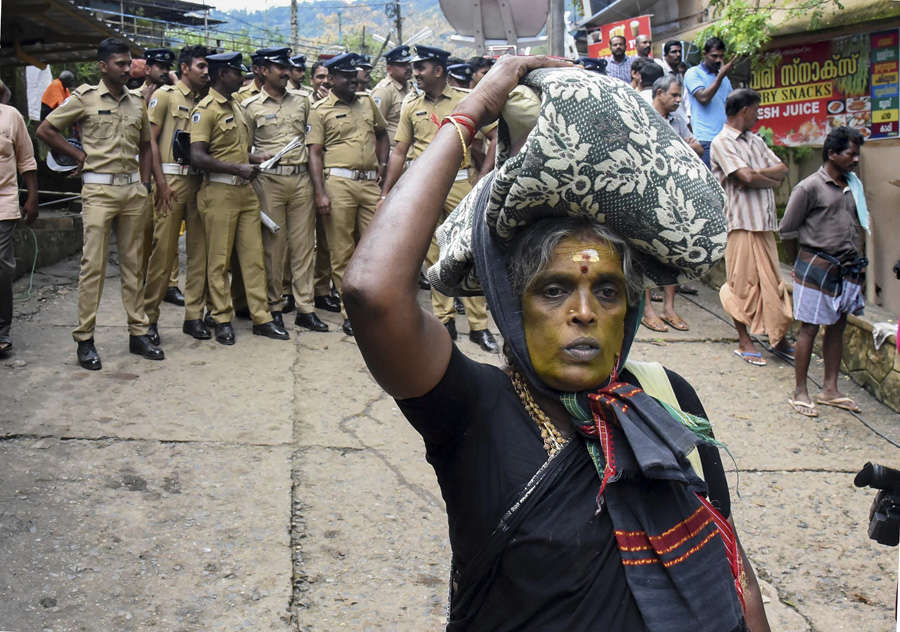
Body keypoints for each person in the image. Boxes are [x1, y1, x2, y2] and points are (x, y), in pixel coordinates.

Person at [343, 55, 769, 632]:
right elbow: (371, 293)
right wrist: (473, 111)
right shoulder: (473, 409)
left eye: (609, 292)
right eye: (554, 289)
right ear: (511, 303)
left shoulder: (665, 398)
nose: (584, 314)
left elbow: (731, 565)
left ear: (631, 311)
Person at [38, 37, 164, 370]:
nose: (127, 69)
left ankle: (138, 333)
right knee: (92, 267)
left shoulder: (137, 102)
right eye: (121, 64)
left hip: (132, 191)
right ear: (103, 66)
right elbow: (46, 129)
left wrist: (147, 183)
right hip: (98, 191)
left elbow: (146, 145)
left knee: (134, 265)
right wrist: (77, 154)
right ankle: (85, 339)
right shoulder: (85, 98)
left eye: (129, 63)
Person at [379, 44, 498, 352]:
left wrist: (484, 175)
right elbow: (399, 151)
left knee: (469, 251)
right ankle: (443, 322)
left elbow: (495, 135)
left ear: (439, 69)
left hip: (460, 184)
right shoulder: (410, 105)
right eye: (413, 68)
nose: (415, 73)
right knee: (433, 253)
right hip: (422, 187)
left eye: (421, 67)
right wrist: (386, 192)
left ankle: (478, 326)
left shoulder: (466, 100)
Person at [188, 51, 290, 345]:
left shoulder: (238, 107)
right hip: (219, 192)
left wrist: (255, 158)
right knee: (219, 260)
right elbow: (197, 156)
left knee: (253, 257)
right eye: (237, 72)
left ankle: (262, 318)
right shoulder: (205, 109)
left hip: (245, 192)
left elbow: (233, 149)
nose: (243, 77)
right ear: (222, 75)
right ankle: (221, 318)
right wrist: (238, 167)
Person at [781, 127, 867, 417]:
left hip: (846, 270)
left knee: (838, 326)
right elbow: (787, 230)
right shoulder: (809, 187)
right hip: (815, 267)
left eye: (857, 153)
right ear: (832, 153)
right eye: (850, 153)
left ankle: (830, 389)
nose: (855, 159)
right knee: (808, 328)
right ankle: (800, 391)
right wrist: (801, 264)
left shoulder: (853, 186)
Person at [242, 48, 328, 333]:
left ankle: (305, 308)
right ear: (264, 70)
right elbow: (242, 149)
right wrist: (256, 157)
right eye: (279, 67)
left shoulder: (303, 102)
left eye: (287, 67)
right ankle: (275, 306)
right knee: (273, 249)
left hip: (300, 179)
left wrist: (318, 189)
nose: (285, 71)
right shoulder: (250, 106)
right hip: (269, 182)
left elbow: (313, 142)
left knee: (304, 248)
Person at [307, 53, 389, 337]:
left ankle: (373, 307)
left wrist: (383, 164)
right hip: (338, 184)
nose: (353, 80)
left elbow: (383, 134)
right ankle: (350, 313)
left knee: (373, 250)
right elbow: (314, 153)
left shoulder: (367, 102)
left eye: (354, 76)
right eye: (346, 76)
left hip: (369, 184)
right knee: (342, 252)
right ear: (331, 79)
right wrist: (320, 193)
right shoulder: (319, 110)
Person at [711, 88, 793, 367]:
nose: (758, 116)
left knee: (773, 284)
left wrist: (760, 176)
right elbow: (744, 176)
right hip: (739, 224)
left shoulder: (755, 141)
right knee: (741, 286)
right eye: (756, 110)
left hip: (763, 224)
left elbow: (782, 169)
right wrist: (760, 177)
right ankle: (743, 340)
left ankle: (777, 338)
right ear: (745, 110)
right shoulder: (722, 142)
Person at [143, 44, 212, 343]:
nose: (207, 72)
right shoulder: (164, 97)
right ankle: (148, 319)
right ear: (184, 68)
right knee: (163, 253)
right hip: (171, 181)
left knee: (200, 255)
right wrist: (159, 183)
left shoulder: (209, 102)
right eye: (201, 66)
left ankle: (194, 317)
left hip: (201, 182)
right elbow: (151, 142)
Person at [639, 73, 704, 334]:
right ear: (659, 94)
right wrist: (680, 148)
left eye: (679, 96)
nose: (678, 100)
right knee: (645, 250)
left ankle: (669, 307)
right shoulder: (644, 115)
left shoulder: (677, 119)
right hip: (647, 193)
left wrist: (679, 148)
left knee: (672, 250)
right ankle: (647, 310)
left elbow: (698, 148)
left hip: (675, 194)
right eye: (674, 95)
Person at [0, 102, 38, 358]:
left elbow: (26, 158)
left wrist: (33, 197)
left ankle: (1, 331)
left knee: (1, 265)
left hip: (2, 202)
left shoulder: (11, 116)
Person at [684, 37, 738, 167]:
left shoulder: (724, 79)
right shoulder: (693, 73)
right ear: (704, 54)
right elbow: (703, 98)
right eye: (714, 56)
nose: (718, 60)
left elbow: (731, 106)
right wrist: (720, 76)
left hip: (725, 140)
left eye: (721, 56)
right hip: (706, 140)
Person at [371, 45, 413, 146]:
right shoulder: (384, 90)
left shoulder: (410, 87)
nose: (408, 67)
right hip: (392, 151)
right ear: (389, 69)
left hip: (409, 151)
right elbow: (375, 128)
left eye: (408, 63)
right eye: (402, 65)